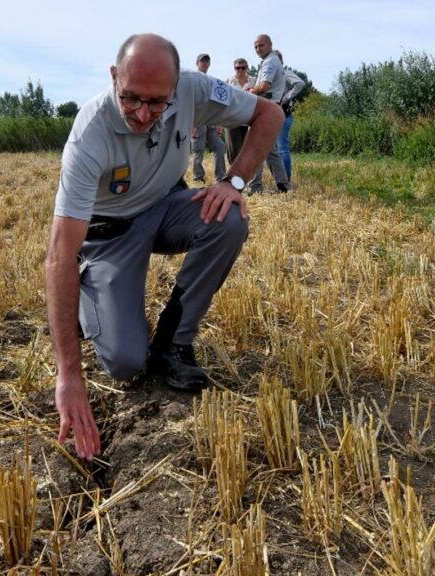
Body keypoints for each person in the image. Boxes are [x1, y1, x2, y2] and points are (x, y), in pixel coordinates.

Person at [46, 33, 284, 461]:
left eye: (157, 103)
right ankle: (92, 294)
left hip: (164, 206)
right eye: (131, 99)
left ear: (176, 88)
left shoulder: (195, 88)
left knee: (228, 218)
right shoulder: (89, 135)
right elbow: (60, 254)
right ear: (114, 76)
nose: (142, 115)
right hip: (110, 233)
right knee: (123, 363)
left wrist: (233, 181)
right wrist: (69, 375)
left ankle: (174, 342)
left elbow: (270, 113)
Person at [246, 34, 290, 193]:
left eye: (261, 45)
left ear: (270, 45)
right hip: (271, 108)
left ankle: (255, 187)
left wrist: (249, 90)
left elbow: (263, 86)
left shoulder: (271, 61)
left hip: (265, 108)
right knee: (271, 151)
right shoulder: (271, 60)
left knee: (254, 147)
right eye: (256, 47)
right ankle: (283, 185)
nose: (258, 49)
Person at [190, 53, 227, 184]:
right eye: (202, 61)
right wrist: (192, 125)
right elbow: (190, 104)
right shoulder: (191, 80)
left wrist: (219, 123)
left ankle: (221, 178)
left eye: (207, 61)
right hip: (198, 122)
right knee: (198, 150)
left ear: (209, 64)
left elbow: (216, 103)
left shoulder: (212, 81)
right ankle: (198, 177)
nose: (204, 63)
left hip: (210, 121)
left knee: (220, 146)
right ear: (197, 63)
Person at [276, 50, 306, 181]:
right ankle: (281, 179)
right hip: (274, 116)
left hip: (283, 114)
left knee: (282, 149)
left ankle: (286, 181)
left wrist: (286, 97)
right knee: (275, 150)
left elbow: (300, 83)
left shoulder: (284, 72)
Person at [225, 58, 255, 165]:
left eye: (243, 68)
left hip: (249, 119)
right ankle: (233, 176)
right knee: (233, 151)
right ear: (234, 68)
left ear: (247, 68)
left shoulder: (254, 81)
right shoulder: (229, 82)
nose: (240, 70)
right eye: (238, 68)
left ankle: (243, 176)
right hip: (232, 119)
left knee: (246, 150)